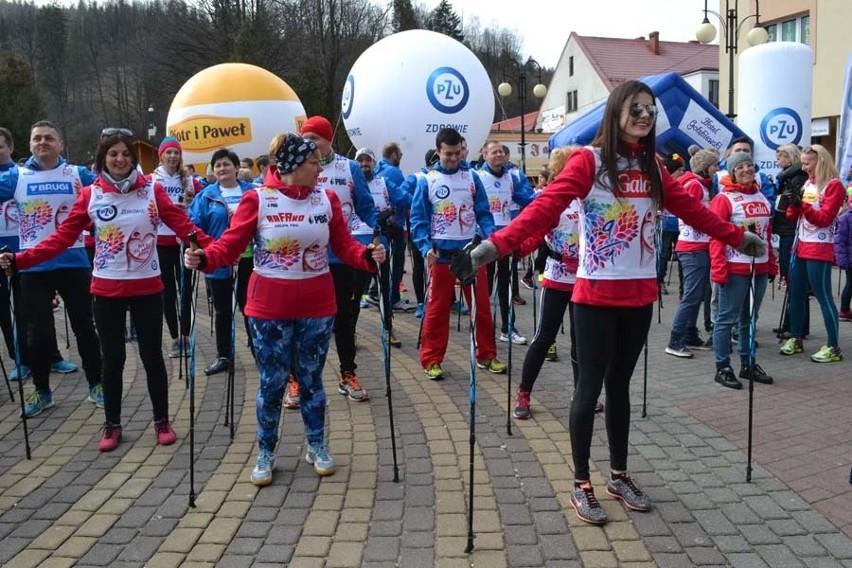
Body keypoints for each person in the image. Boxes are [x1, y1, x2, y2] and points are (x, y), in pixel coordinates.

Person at [455, 80, 765, 525]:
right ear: (617, 110)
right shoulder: (589, 161)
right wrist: (495, 246)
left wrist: (738, 236)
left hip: (638, 296)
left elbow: (693, 211)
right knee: (589, 388)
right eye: (636, 108)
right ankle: (581, 481)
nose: (644, 115)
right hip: (595, 295)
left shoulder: (654, 168)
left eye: (651, 110)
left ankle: (618, 474)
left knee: (619, 388)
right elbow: (544, 209)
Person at [183, 133, 385, 485]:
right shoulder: (257, 199)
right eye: (312, 163)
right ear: (292, 166)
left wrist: (367, 257)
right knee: (272, 383)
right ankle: (266, 450)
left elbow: (344, 245)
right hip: (268, 307)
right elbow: (231, 245)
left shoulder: (327, 200)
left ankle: (317, 445)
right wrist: (204, 258)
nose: (319, 168)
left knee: (311, 380)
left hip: (317, 305)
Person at [0, 130, 210, 450]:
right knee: (112, 360)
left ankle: (161, 420)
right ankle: (112, 425)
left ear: (133, 159)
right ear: (104, 159)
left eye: (126, 154)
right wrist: (21, 260)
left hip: (147, 287)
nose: (121, 159)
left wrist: (216, 250)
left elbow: (184, 226)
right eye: (114, 154)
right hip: (107, 290)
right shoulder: (90, 195)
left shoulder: (152, 190)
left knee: (152, 357)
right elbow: (60, 239)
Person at [0, 121, 103, 417]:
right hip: (33, 265)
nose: (42, 142)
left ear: (60, 144)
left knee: (85, 327)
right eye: (37, 139)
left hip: (73, 261)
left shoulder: (77, 174)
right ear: (30, 145)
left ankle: (97, 385)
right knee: (37, 333)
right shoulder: (16, 176)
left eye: (49, 138)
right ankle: (42, 391)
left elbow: (109, 188)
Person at [513, 146, 603, 419]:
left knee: (582, 343)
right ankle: (524, 394)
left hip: (585, 282)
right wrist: (514, 248)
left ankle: (582, 394)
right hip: (556, 280)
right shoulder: (553, 199)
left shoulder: (589, 198)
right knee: (543, 338)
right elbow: (533, 232)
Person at [410, 127, 506, 380]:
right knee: (438, 309)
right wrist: (423, 246)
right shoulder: (427, 180)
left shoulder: (472, 177)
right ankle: (431, 359)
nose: (454, 159)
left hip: (471, 254)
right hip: (441, 255)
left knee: (481, 307)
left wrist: (491, 236)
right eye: (448, 154)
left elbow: (484, 212)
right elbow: (418, 219)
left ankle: (486, 354)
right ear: (438, 151)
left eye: (457, 154)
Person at [300, 116, 376, 402]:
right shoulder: (298, 168)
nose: (310, 144)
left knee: (344, 319)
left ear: (328, 139)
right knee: (305, 320)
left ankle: (348, 373)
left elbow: (365, 207)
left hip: (341, 256)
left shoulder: (349, 167)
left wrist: (380, 223)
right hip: (307, 259)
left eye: (315, 138)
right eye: (305, 138)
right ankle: (298, 377)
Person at [710, 151, 777, 389]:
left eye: (749, 165)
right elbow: (716, 236)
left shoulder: (761, 195)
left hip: (758, 268)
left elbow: (766, 234)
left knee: (750, 319)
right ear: (733, 173)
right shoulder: (724, 199)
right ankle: (722, 366)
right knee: (726, 319)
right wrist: (719, 268)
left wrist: (771, 263)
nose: (747, 170)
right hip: (735, 267)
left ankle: (748, 364)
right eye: (740, 168)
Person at [188, 148, 255, 375]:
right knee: (223, 310)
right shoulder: (205, 195)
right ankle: (224, 356)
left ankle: (259, 350)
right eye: (217, 165)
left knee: (251, 307)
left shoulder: (253, 193)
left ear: (237, 167)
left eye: (226, 164)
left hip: (250, 259)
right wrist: (207, 248)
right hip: (218, 260)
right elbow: (193, 225)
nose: (222, 169)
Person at [779, 144, 845, 362]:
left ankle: (833, 346)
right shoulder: (808, 183)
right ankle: (796, 338)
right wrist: (791, 202)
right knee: (796, 294)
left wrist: (802, 207)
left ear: (821, 161)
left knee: (823, 296)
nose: (804, 167)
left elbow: (824, 218)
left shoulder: (833, 186)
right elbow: (791, 216)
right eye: (803, 162)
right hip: (800, 244)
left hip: (819, 246)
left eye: (808, 163)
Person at [477, 140, 536, 344]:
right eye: (493, 152)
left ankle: (508, 328)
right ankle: (482, 332)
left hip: (506, 238)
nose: (499, 154)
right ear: (485, 156)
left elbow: (526, 199)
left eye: (501, 151)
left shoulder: (512, 176)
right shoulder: (478, 176)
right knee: (484, 288)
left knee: (506, 286)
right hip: (484, 238)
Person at [350, 147, 410, 347]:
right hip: (356, 244)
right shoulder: (349, 184)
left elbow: (405, 198)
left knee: (385, 288)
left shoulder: (384, 183)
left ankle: (388, 329)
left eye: (368, 160)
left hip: (379, 244)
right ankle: (351, 332)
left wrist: (395, 214)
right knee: (356, 292)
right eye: (360, 161)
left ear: (374, 163)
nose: (364, 164)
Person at [150, 137, 202, 358]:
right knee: (167, 292)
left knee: (186, 290)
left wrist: (188, 207)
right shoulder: (151, 179)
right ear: (161, 155)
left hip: (184, 241)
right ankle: (174, 338)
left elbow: (203, 203)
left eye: (176, 153)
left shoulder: (189, 180)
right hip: (161, 242)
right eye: (168, 152)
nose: (173, 156)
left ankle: (186, 336)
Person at [665, 146, 719, 357]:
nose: (717, 168)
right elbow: (688, 214)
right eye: (714, 165)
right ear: (705, 167)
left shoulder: (701, 184)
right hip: (692, 246)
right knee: (691, 295)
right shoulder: (695, 185)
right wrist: (709, 221)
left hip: (699, 246)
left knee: (696, 295)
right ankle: (675, 340)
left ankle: (689, 334)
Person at [773, 144, 810, 338]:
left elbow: (793, 206)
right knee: (793, 279)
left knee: (794, 280)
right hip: (786, 230)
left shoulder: (795, 178)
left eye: (780, 157)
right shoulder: (789, 177)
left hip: (790, 231)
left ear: (789, 157)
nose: (778, 161)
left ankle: (796, 325)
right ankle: (794, 323)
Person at [658, 153, 685, 295]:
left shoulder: (684, 183)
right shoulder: (664, 183)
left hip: (679, 225)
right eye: (679, 170)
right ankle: (659, 282)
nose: (682, 173)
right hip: (666, 223)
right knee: (663, 254)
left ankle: (684, 287)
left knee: (681, 256)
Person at [835, 192, 852, 321]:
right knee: (850, 284)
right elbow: (841, 241)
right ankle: (844, 309)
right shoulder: (846, 218)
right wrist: (842, 260)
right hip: (849, 259)